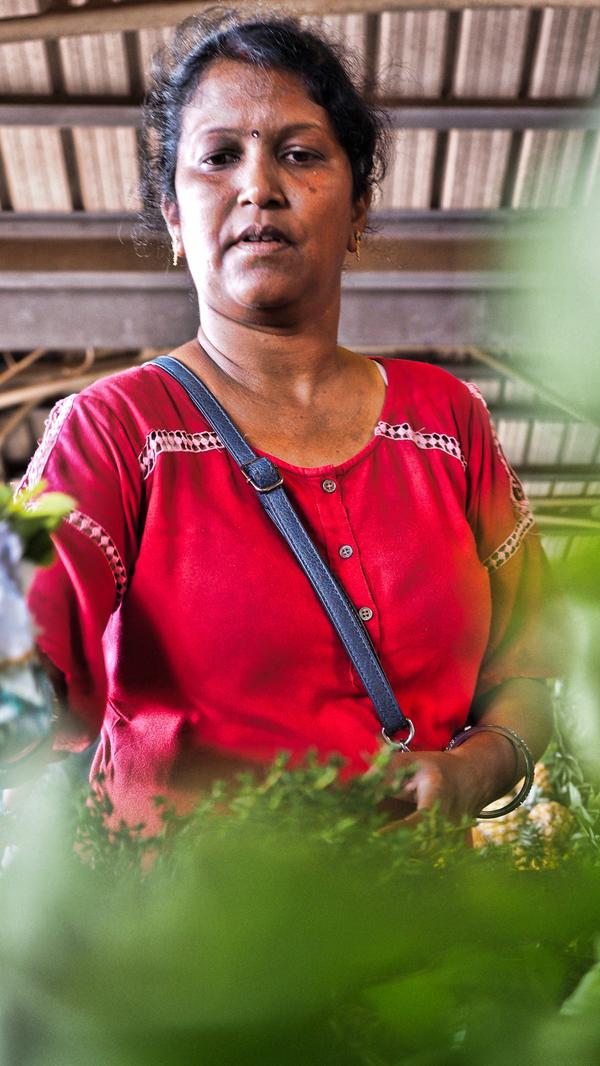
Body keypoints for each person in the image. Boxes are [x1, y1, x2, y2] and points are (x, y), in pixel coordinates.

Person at [18, 11, 564, 832]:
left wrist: (470, 769)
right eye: (218, 157)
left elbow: (528, 672)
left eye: (301, 154)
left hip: (419, 932)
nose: (258, 187)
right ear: (172, 217)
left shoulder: (449, 425)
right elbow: (28, 663)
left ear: (359, 212)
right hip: (184, 943)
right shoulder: (116, 432)